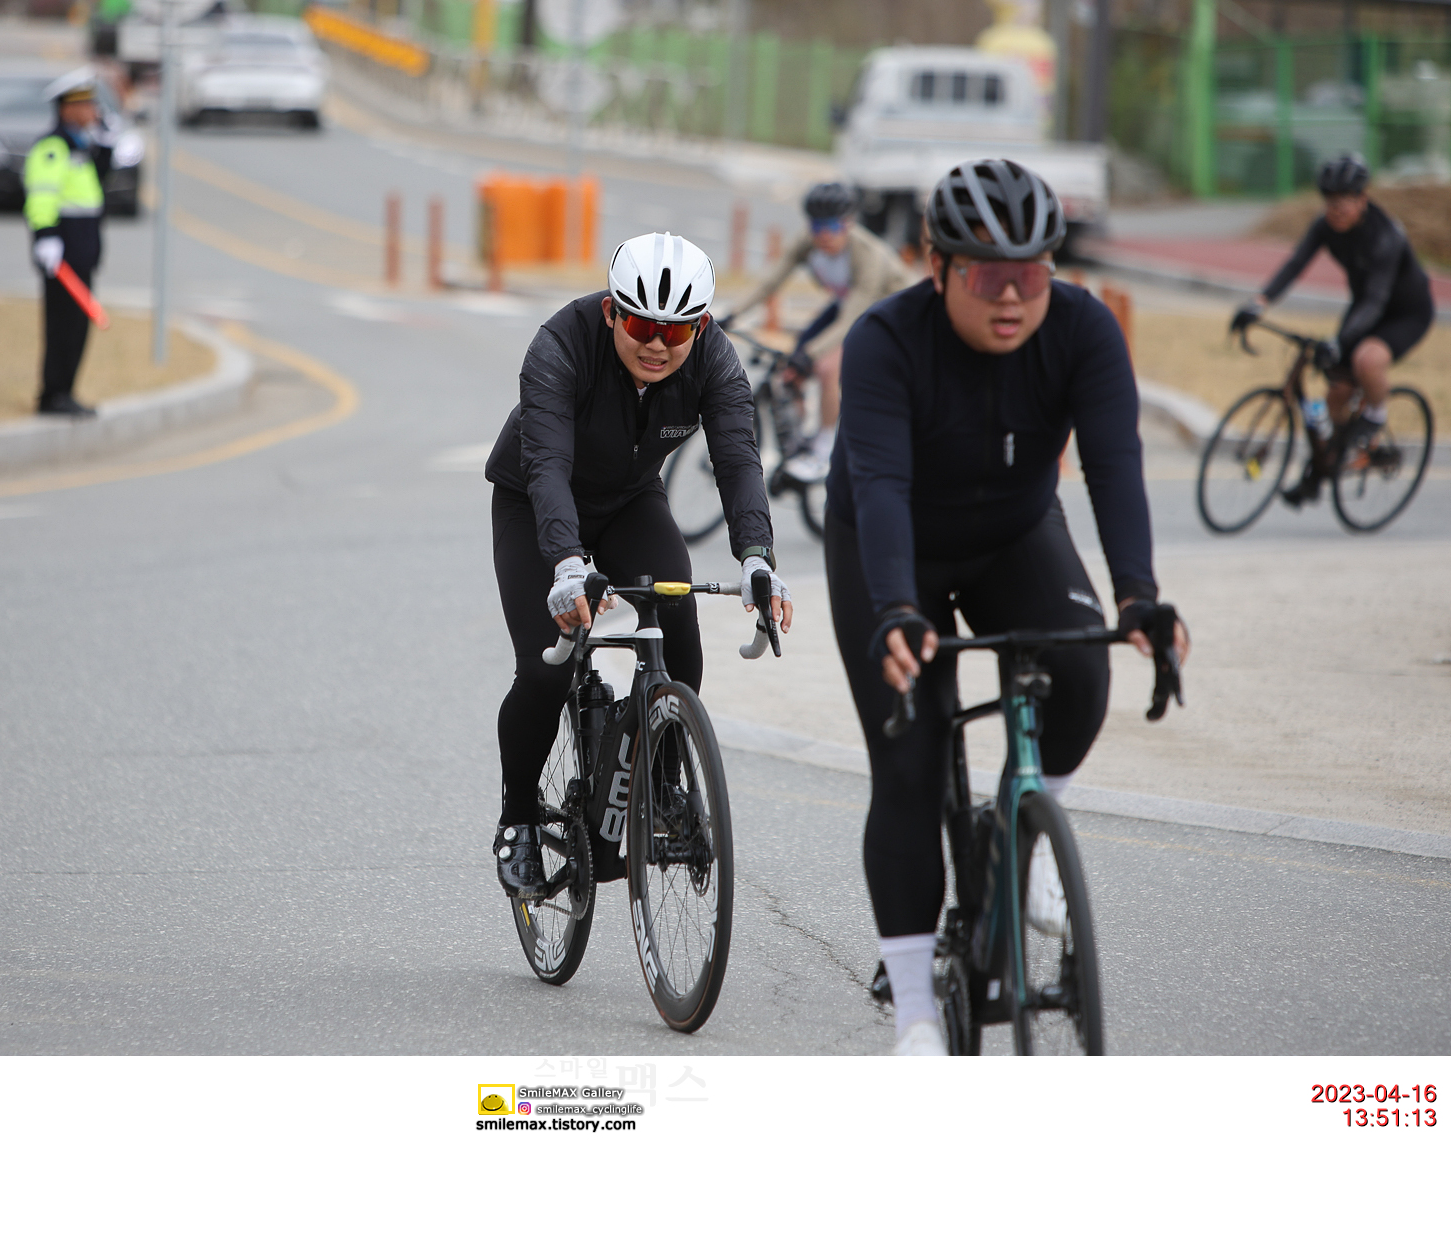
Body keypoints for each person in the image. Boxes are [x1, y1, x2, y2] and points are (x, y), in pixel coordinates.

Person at [823, 158, 1188, 1055]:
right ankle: (916, 1015)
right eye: (990, 278)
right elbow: (880, 486)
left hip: (1013, 531)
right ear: (936, 266)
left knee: (1081, 671)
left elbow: (1114, 465)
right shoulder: (883, 341)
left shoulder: (1085, 330)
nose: (1015, 297)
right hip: (893, 540)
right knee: (910, 755)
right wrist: (897, 608)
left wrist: (1139, 595)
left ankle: (1022, 839)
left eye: (1033, 273)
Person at [484, 232, 796, 897]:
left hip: (630, 501)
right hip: (536, 504)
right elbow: (547, 466)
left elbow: (738, 460)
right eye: (641, 326)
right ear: (611, 313)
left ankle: (662, 782)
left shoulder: (713, 360)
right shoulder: (560, 344)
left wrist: (757, 558)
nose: (658, 343)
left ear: (700, 327)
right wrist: (566, 564)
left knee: (677, 621)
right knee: (546, 666)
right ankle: (518, 819)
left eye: (676, 331)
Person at [1231, 152, 1434, 506]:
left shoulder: (1385, 236)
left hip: (1405, 313)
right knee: (1336, 393)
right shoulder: (1325, 226)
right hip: (1364, 308)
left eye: (1344, 201)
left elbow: (1376, 300)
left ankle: (1375, 416)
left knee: (1366, 360)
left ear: (1363, 199)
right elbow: (1295, 264)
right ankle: (1324, 466)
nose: (1335, 209)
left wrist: (1340, 341)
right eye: (1329, 200)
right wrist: (1259, 302)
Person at [729, 180, 913, 482]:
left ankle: (824, 451)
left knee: (827, 366)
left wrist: (812, 354)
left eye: (833, 226)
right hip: (846, 302)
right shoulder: (808, 241)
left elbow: (851, 319)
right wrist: (733, 313)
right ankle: (798, 442)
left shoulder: (868, 255)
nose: (824, 234)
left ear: (848, 223)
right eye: (817, 226)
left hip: (887, 314)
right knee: (791, 370)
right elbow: (770, 282)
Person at [23, 68, 113, 418]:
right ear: (68, 109)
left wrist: (105, 142)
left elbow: (98, 182)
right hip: (62, 253)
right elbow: (41, 196)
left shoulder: (80, 146)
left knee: (77, 328)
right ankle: (54, 394)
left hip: (82, 250)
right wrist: (45, 237)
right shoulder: (53, 148)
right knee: (62, 326)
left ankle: (66, 391)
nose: (94, 111)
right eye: (87, 104)